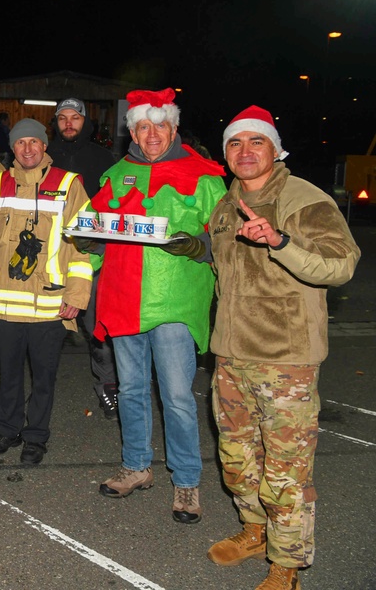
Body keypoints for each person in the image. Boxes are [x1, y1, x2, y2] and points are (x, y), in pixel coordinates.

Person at [189, 106, 358, 589]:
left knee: (285, 469)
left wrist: (281, 242)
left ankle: (287, 565)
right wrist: (196, 247)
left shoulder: (305, 199)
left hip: (287, 358)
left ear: (274, 148)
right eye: (234, 143)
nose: (245, 151)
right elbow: (225, 270)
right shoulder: (226, 204)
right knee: (237, 458)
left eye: (255, 141)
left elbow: (340, 265)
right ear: (225, 155)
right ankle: (255, 531)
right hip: (231, 353)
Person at [88, 88, 226, 524]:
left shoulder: (204, 175)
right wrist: (86, 241)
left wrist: (199, 246)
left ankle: (186, 483)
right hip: (125, 300)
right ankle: (136, 466)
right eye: (143, 126)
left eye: (159, 125)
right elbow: (94, 235)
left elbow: (226, 239)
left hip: (174, 305)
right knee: (129, 390)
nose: (151, 134)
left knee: (178, 397)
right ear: (132, 130)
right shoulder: (115, 174)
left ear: (174, 127)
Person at [0, 118, 92, 464]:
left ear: (44, 146)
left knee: (44, 377)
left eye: (34, 142)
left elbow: (82, 246)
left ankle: (36, 436)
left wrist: (77, 297)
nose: (28, 149)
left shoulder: (68, 184)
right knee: (9, 373)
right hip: (4, 301)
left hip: (50, 303)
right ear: (13, 148)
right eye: (21, 143)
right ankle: (6, 429)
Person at [46, 97, 119, 419]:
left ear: (85, 121)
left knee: (98, 328)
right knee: (43, 328)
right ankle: (37, 394)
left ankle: (108, 387)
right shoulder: (41, 156)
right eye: (62, 118)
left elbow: (117, 206)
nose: (68, 123)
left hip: (93, 257)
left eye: (75, 117)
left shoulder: (105, 160)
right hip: (48, 256)